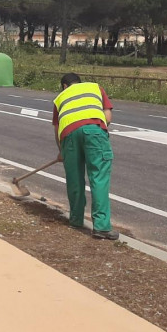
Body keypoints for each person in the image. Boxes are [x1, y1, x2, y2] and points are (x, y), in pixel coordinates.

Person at [52, 73, 118, 240]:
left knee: (75, 179)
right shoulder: (95, 88)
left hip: (68, 136)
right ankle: (101, 227)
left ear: (65, 86)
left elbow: (57, 128)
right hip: (94, 131)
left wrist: (62, 152)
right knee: (99, 178)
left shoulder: (60, 98)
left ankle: (75, 220)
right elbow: (108, 116)